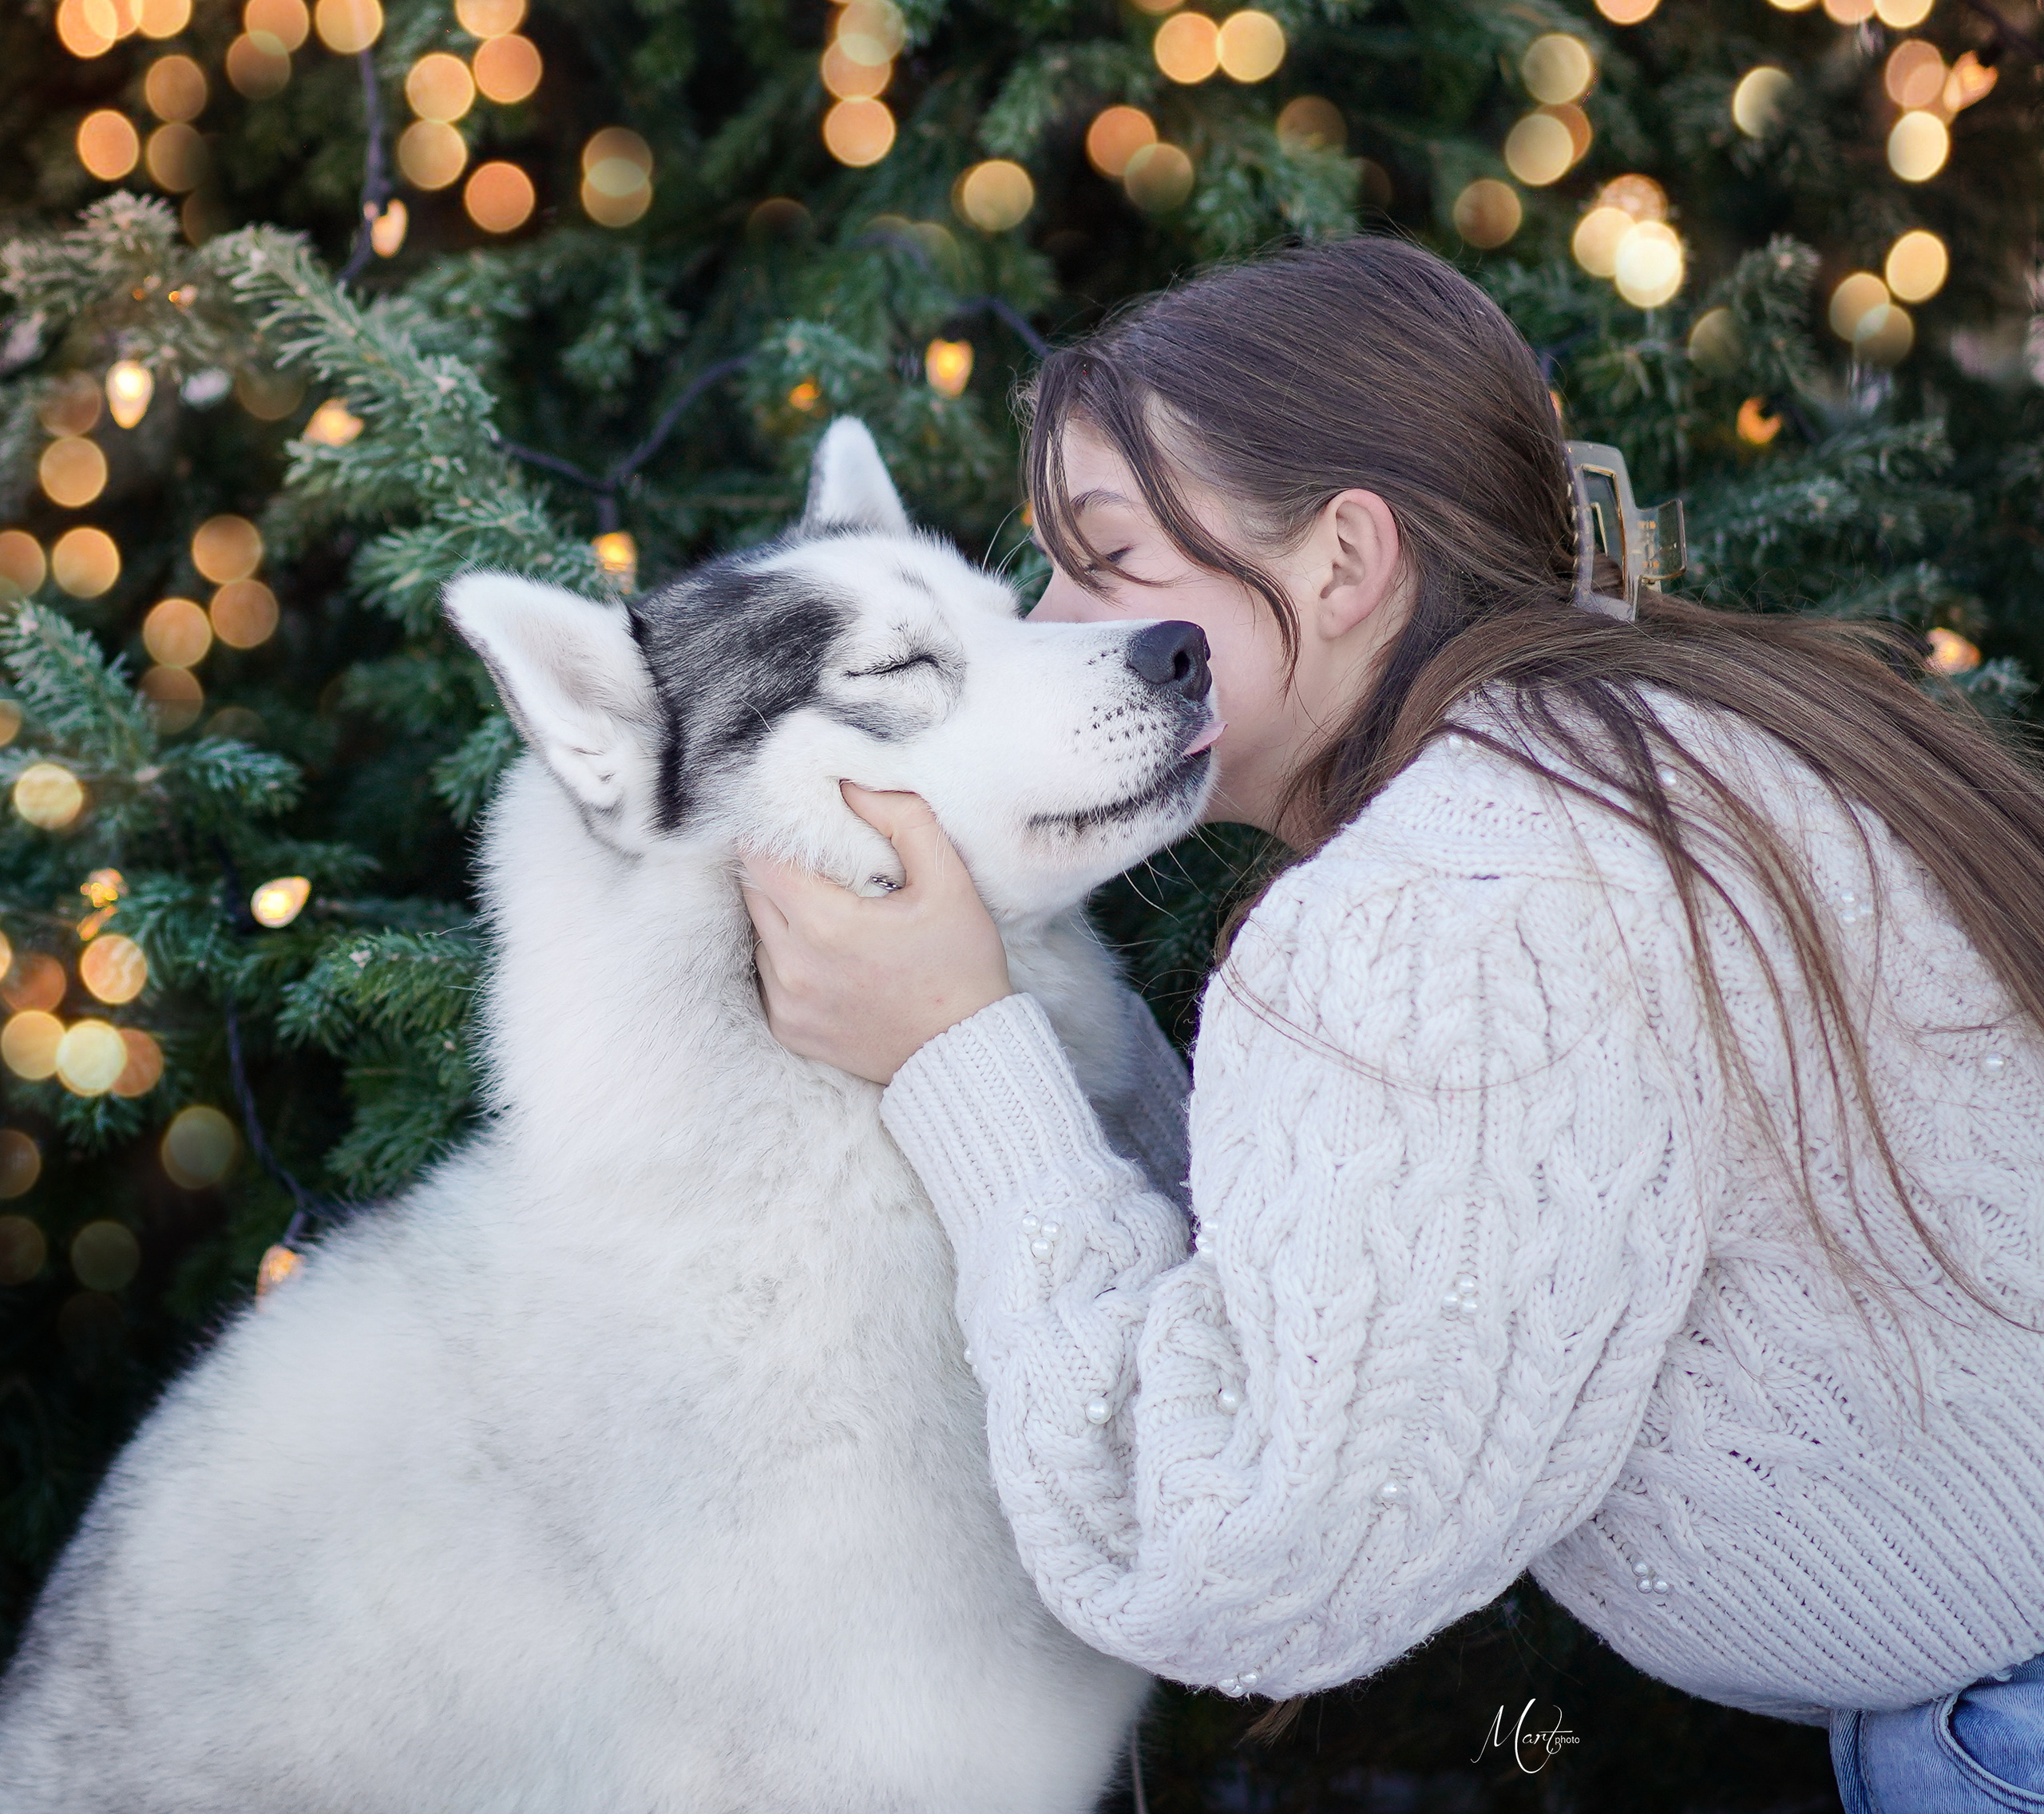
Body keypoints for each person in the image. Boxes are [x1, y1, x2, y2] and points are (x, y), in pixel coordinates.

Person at [741, 236, 2044, 1814]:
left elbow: (1236, 1552)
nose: (1044, 617)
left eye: (1104, 559)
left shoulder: (1449, 901)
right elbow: (1319, 1260)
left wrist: (957, 1052)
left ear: (1344, 565)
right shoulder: (1646, 739)